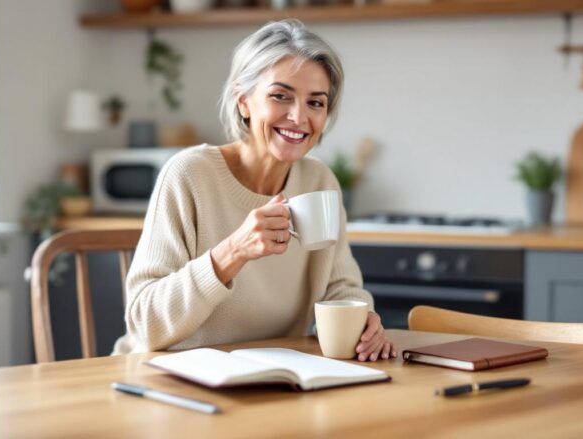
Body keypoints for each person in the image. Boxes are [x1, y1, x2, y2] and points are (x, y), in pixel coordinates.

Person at [112, 19, 395, 362]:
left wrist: (364, 318)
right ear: (243, 101)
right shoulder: (189, 175)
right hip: (168, 379)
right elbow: (145, 325)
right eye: (280, 96)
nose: (298, 117)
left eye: (315, 103)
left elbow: (342, 288)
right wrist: (232, 253)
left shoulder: (320, 183)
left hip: (269, 377)